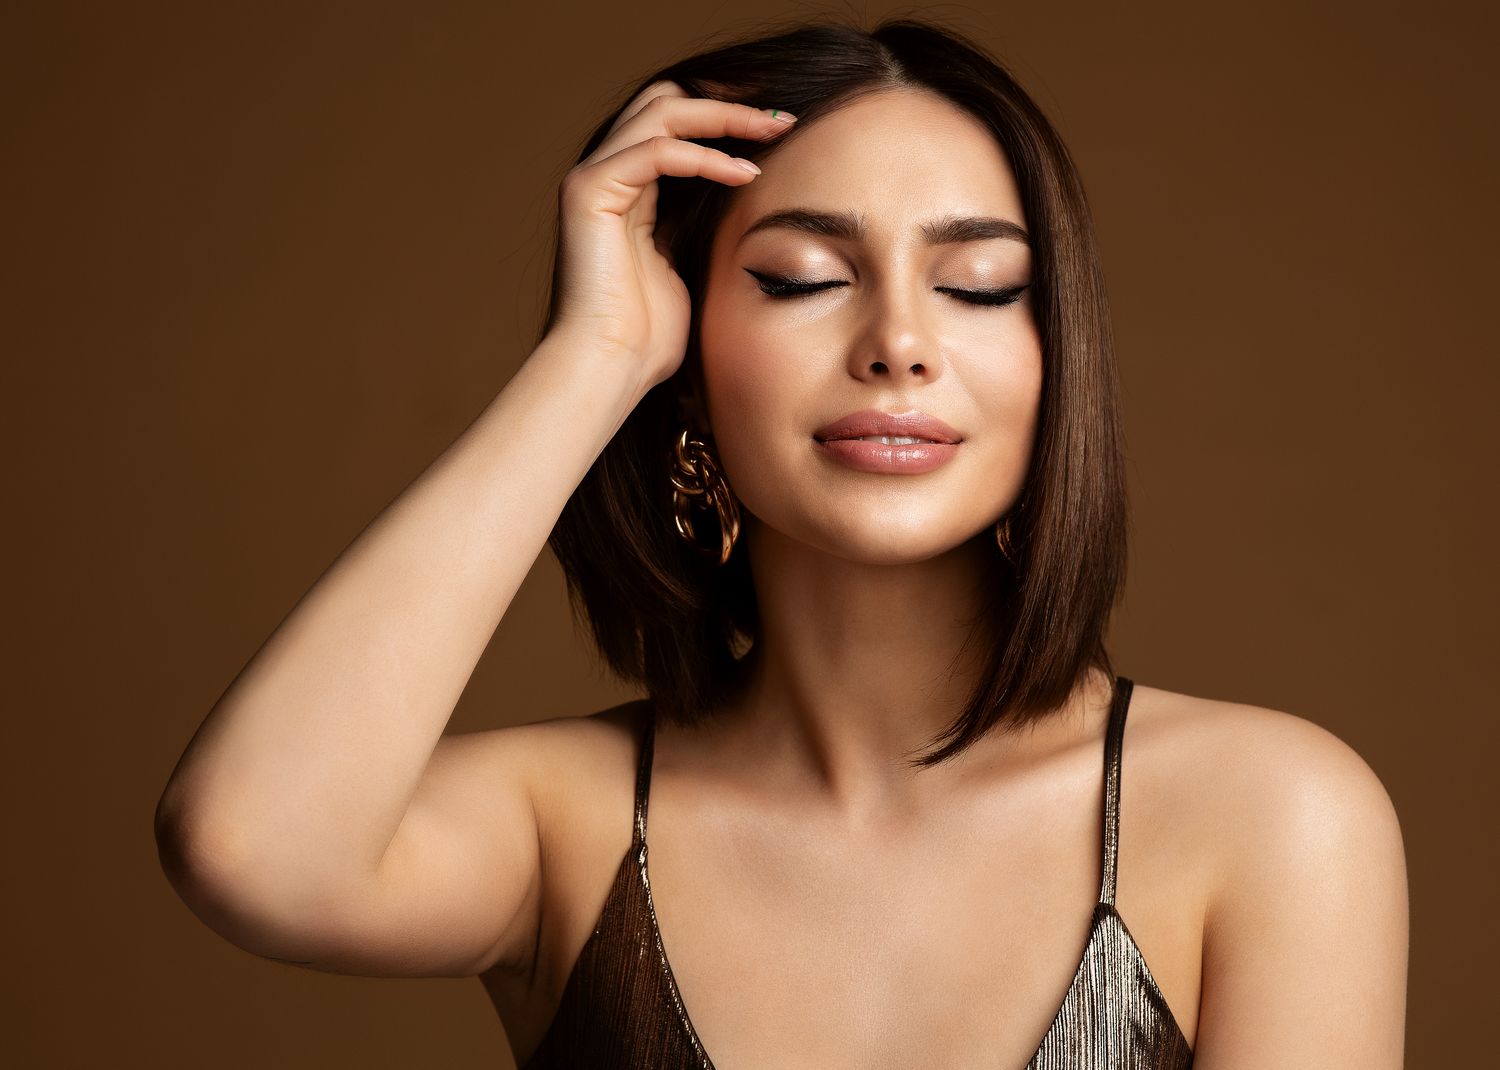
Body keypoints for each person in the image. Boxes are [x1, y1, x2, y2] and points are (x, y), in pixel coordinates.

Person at [155, 16, 1409, 1069]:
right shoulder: (568, 829)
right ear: (691, 366)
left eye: (979, 287)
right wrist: (594, 359)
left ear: (1057, 362)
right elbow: (248, 844)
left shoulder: (1270, 817)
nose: (899, 342)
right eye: (805, 276)